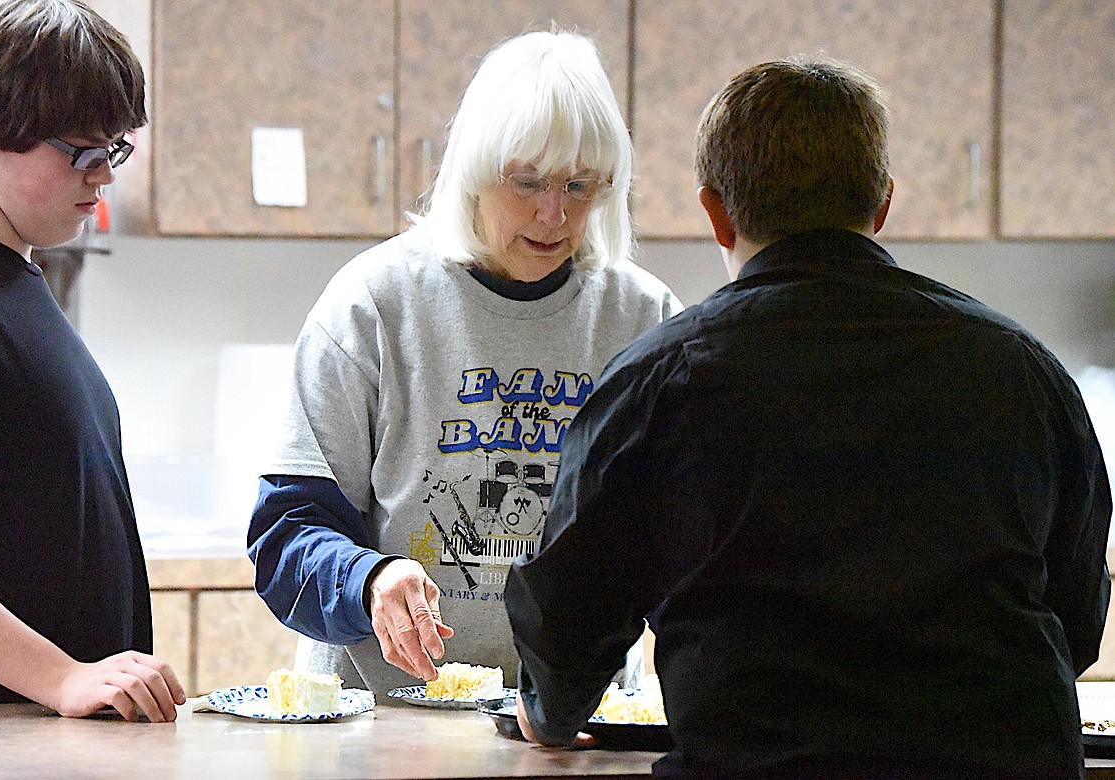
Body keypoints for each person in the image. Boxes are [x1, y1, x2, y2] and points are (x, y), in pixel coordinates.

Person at [505, 56, 1112, 779]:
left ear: (715, 212)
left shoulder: (659, 383)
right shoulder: (1025, 371)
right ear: (882, 204)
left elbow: (571, 608)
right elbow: (1076, 624)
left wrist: (550, 711)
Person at [247, 29, 681, 698]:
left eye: (579, 185)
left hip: (574, 722)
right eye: (527, 181)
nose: (553, 213)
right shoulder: (374, 305)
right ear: (476, 171)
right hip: (381, 716)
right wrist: (368, 580)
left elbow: (681, 537)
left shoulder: (643, 319)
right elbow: (286, 536)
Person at [0, 0, 185, 721]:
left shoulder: (19, 286)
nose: (105, 175)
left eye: (115, 149)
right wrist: (60, 677)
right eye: (85, 152)